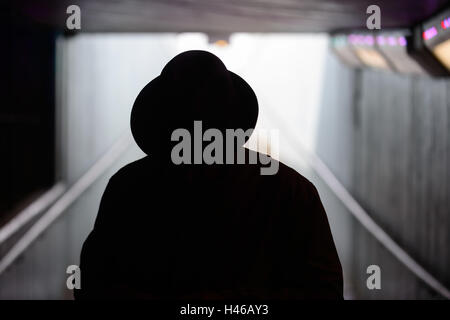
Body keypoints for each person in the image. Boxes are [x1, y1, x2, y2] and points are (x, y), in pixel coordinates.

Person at [74, 50, 343, 299]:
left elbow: (94, 285)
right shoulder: (291, 190)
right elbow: (324, 289)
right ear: (235, 119)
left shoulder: (129, 187)